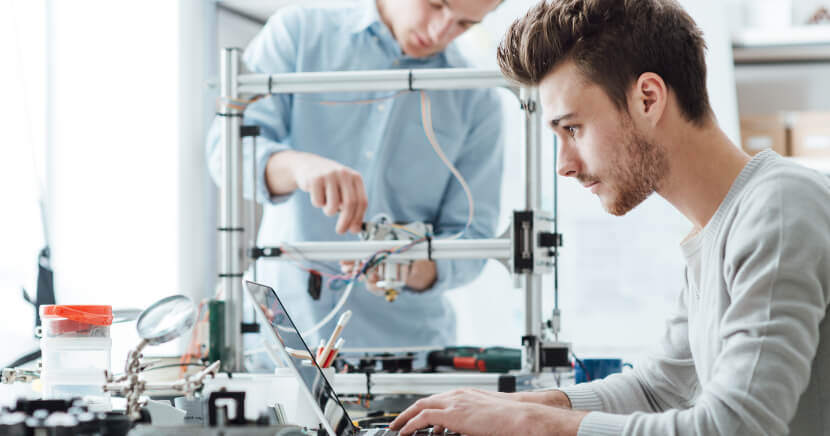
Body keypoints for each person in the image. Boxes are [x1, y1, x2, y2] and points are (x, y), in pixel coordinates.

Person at [390, 0, 830, 435]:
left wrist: (530, 422)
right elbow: (660, 388)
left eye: (573, 129)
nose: (563, 164)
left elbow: (736, 427)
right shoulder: (718, 225)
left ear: (648, 98)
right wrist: (515, 405)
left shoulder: (779, 207)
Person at [206, 0, 505, 350]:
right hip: (278, 337)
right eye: (436, 5)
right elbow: (225, 153)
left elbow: (472, 238)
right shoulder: (301, 31)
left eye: (464, 25)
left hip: (402, 354)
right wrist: (298, 166)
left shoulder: (476, 98)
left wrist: (412, 267)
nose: (441, 31)